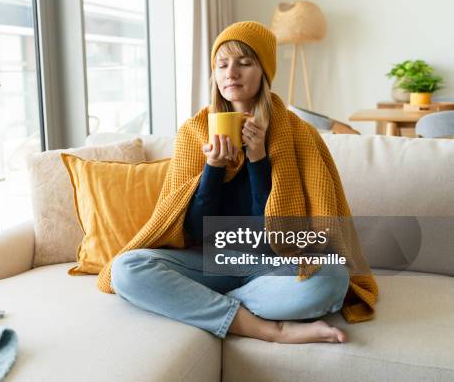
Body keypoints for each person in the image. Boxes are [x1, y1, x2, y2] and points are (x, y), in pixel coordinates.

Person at [107, 21, 375, 344]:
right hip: (208, 261)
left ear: (263, 71)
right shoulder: (193, 132)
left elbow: (276, 236)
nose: (231, 73)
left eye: (244, 63)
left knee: (333, 279)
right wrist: (213, 169)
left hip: (272, 266)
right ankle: (266, 328)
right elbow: (190, 230)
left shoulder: (297, 133)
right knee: (127, 269)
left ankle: (197, 301)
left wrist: (259, 158)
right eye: (222, 64)